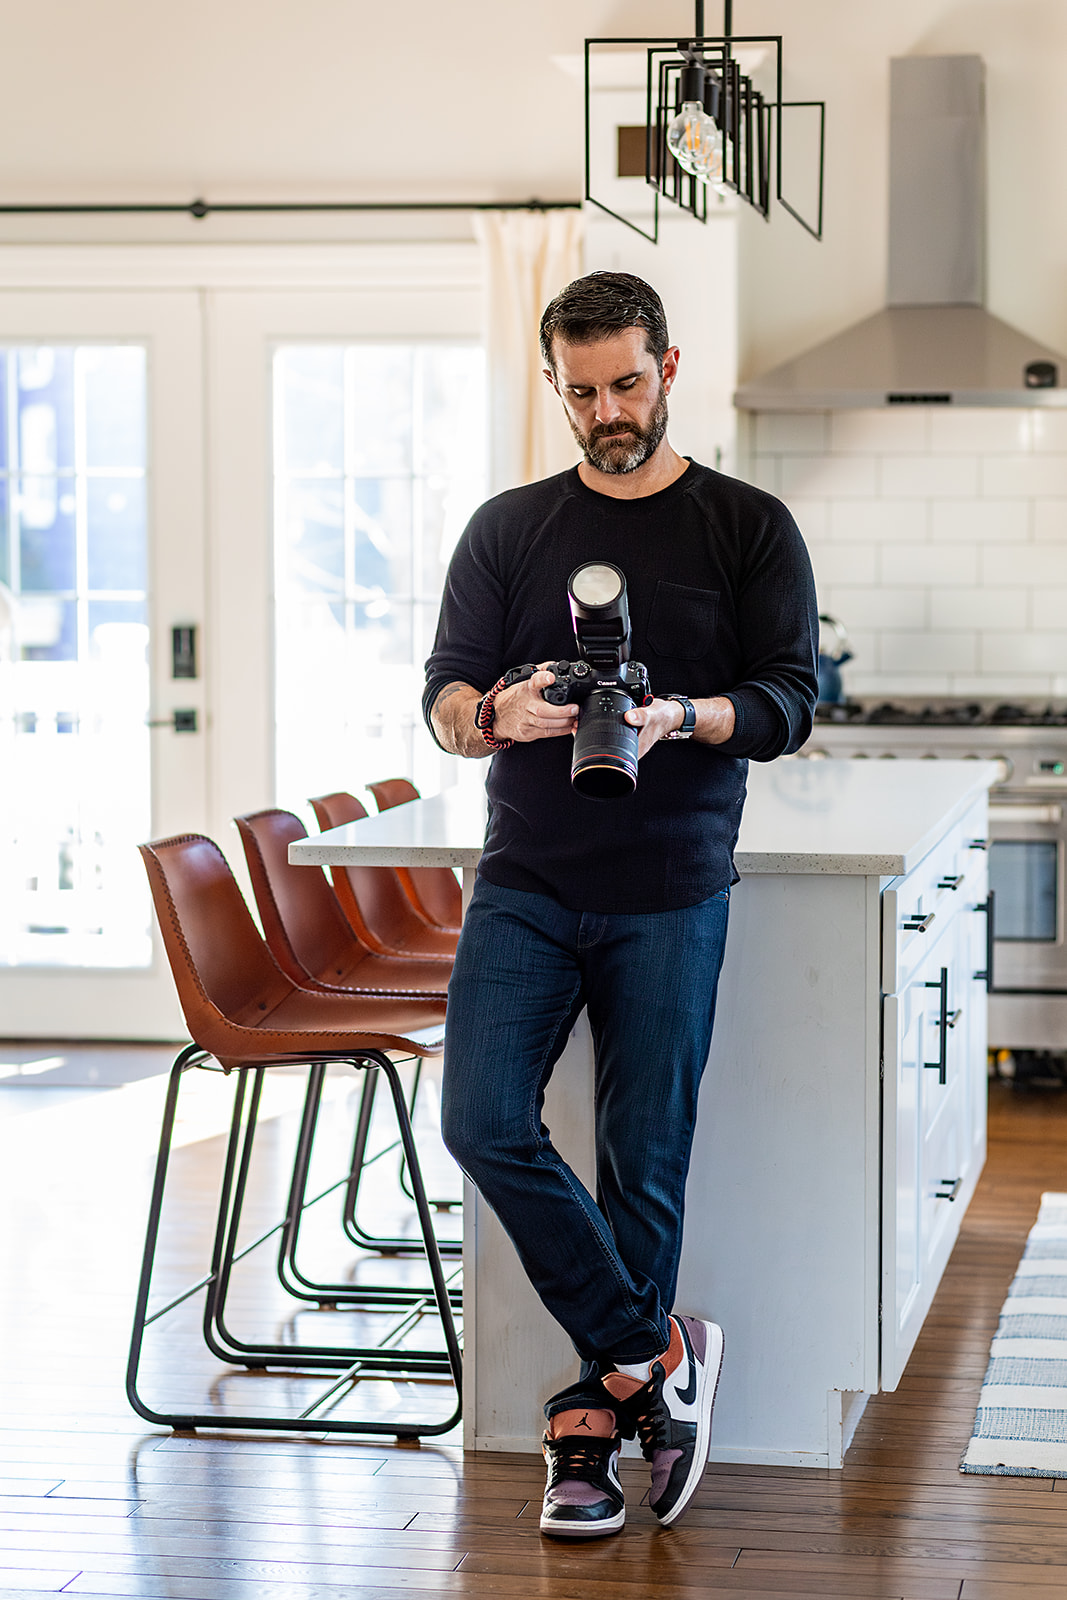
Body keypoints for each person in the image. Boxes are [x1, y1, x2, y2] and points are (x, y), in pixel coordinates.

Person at [423, 271, 818, 1539]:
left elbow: (789, 701)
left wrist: (676, 715)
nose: (606, 410)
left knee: (641, 1167)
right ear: (554, 384)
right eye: (580, 389)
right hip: (527, 882)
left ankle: (588, 1433)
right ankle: (656, 1353)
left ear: (668, 365)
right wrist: (492, 716)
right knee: (480, 1119)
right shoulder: (505, 528)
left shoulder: (747, 527)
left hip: (672, 886)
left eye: (626, 382)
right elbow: (437, 694)